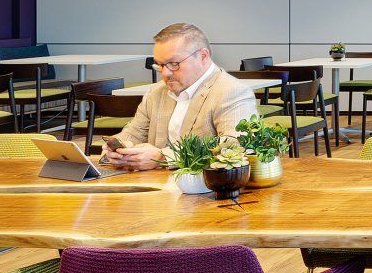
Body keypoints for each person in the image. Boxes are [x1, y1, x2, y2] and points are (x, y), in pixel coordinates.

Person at [104, 22, 258, 170]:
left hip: (207, 190)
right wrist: (119, 148)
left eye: (174, 63)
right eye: (161, 65)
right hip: (155, 186)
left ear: (203, 56)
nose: (165, 73)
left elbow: (233, 145)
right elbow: (134, 132)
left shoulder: (232, 91)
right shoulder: (157, 92)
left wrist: (162, 158)